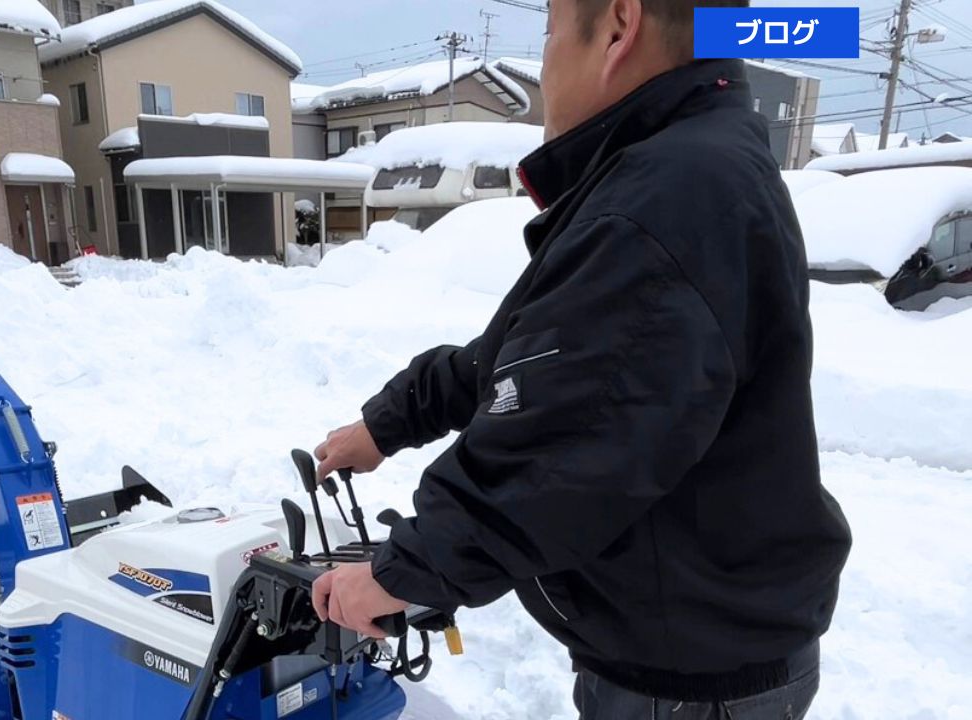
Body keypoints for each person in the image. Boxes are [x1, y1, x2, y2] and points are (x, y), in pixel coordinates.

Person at [311, 0, 852, 717]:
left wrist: (400, 572)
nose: (545, 65)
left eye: (549, 32)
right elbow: (527, 362)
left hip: (687, 683)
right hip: (696, 644)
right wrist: (390, 423)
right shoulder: (682, 167)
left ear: (619, 27)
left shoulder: (668, 195)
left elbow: (563, 441)